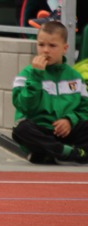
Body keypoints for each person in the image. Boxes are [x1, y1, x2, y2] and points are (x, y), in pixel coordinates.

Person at [12, 21, 88, 164]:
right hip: (41, 131)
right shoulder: (27, 74)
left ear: (65, 48)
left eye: (52, 46)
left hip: (67, 130)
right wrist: (36, 77)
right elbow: (26, 107)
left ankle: (47, 154)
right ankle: (68, 152)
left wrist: (69, 120)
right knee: (20, 129)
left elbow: (85, 108)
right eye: (41, 45)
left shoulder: (75, 76)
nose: (45, 50)